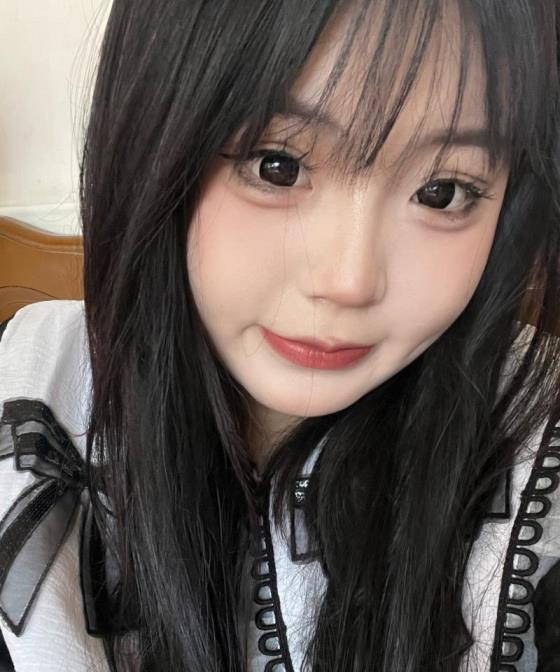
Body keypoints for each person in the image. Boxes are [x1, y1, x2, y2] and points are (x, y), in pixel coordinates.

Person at [0, 0, 559, 670]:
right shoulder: (29, 378)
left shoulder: (538, 458)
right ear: (151, 145)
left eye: (442, 192)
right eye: (277, 166)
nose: (350, 281)